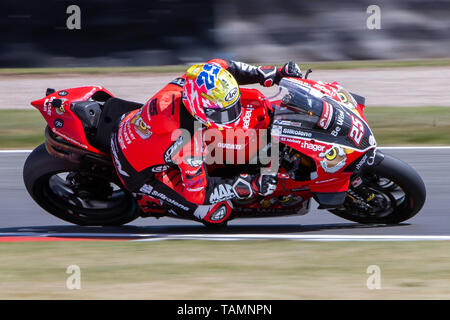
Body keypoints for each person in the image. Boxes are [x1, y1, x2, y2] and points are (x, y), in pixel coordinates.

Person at [110, 59, 303, 225]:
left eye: (233, 108)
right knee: (218, 213)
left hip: (135, 125)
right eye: (225, 113)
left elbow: (225, 66)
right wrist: (250, 184)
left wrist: (275, 74)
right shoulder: (186, 141)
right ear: (199, 108)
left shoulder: (197, 80)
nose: (234, 115)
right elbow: (197, 194)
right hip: (137, 172)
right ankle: (155, 202)